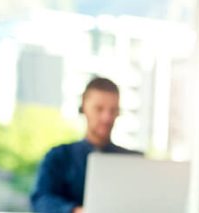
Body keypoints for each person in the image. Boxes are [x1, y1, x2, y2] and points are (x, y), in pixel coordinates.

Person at [31, 77, 141, 213]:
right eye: (99, 109)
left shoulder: (135, 162)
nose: (107, 118)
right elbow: (41, 199)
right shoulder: (59, 156)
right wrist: (75, 211)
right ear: (84, 107)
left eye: (113, 110)